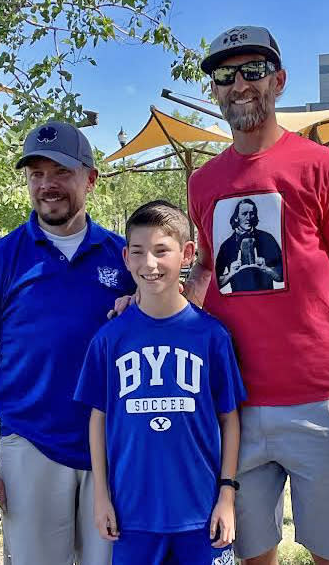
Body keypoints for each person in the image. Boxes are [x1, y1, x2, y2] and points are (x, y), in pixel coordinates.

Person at [187, 26, 329, 565]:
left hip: (318, 398)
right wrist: (156, 308)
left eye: (252, 70)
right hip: (235, 405)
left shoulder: (322, 167)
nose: (238, 84)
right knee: (252, 554)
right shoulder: (204, 182)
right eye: (225, 75)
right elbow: (205, 271)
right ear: (216, 90)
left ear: (279, 80)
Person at [0, 121, 135, 565]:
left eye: (60, 172)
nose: (47, 185)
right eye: (36, 173)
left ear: (90, 179)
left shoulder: (126, 257)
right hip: (31, 444)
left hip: (112, 446)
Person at [75, 200, 246, 565]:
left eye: (161, 251)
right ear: (125, 257)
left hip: (200, 513)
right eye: (138, 252)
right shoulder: (109, 339)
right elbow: (97, 420)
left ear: (186, 254)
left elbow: (230, 419)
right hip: (133, 515)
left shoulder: (211, 336)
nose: (149, 264)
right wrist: (101, 497)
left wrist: (226, 496)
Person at [215, 197, 283, 292]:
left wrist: (266, 269)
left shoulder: (267, 238)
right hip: (237, 303)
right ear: (236, 218)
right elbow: (215, 283)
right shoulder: (226, 245)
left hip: (267, 301)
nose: (248, 218)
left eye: (251, 214)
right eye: (244, 214)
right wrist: (231, 274)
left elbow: (282, 276)